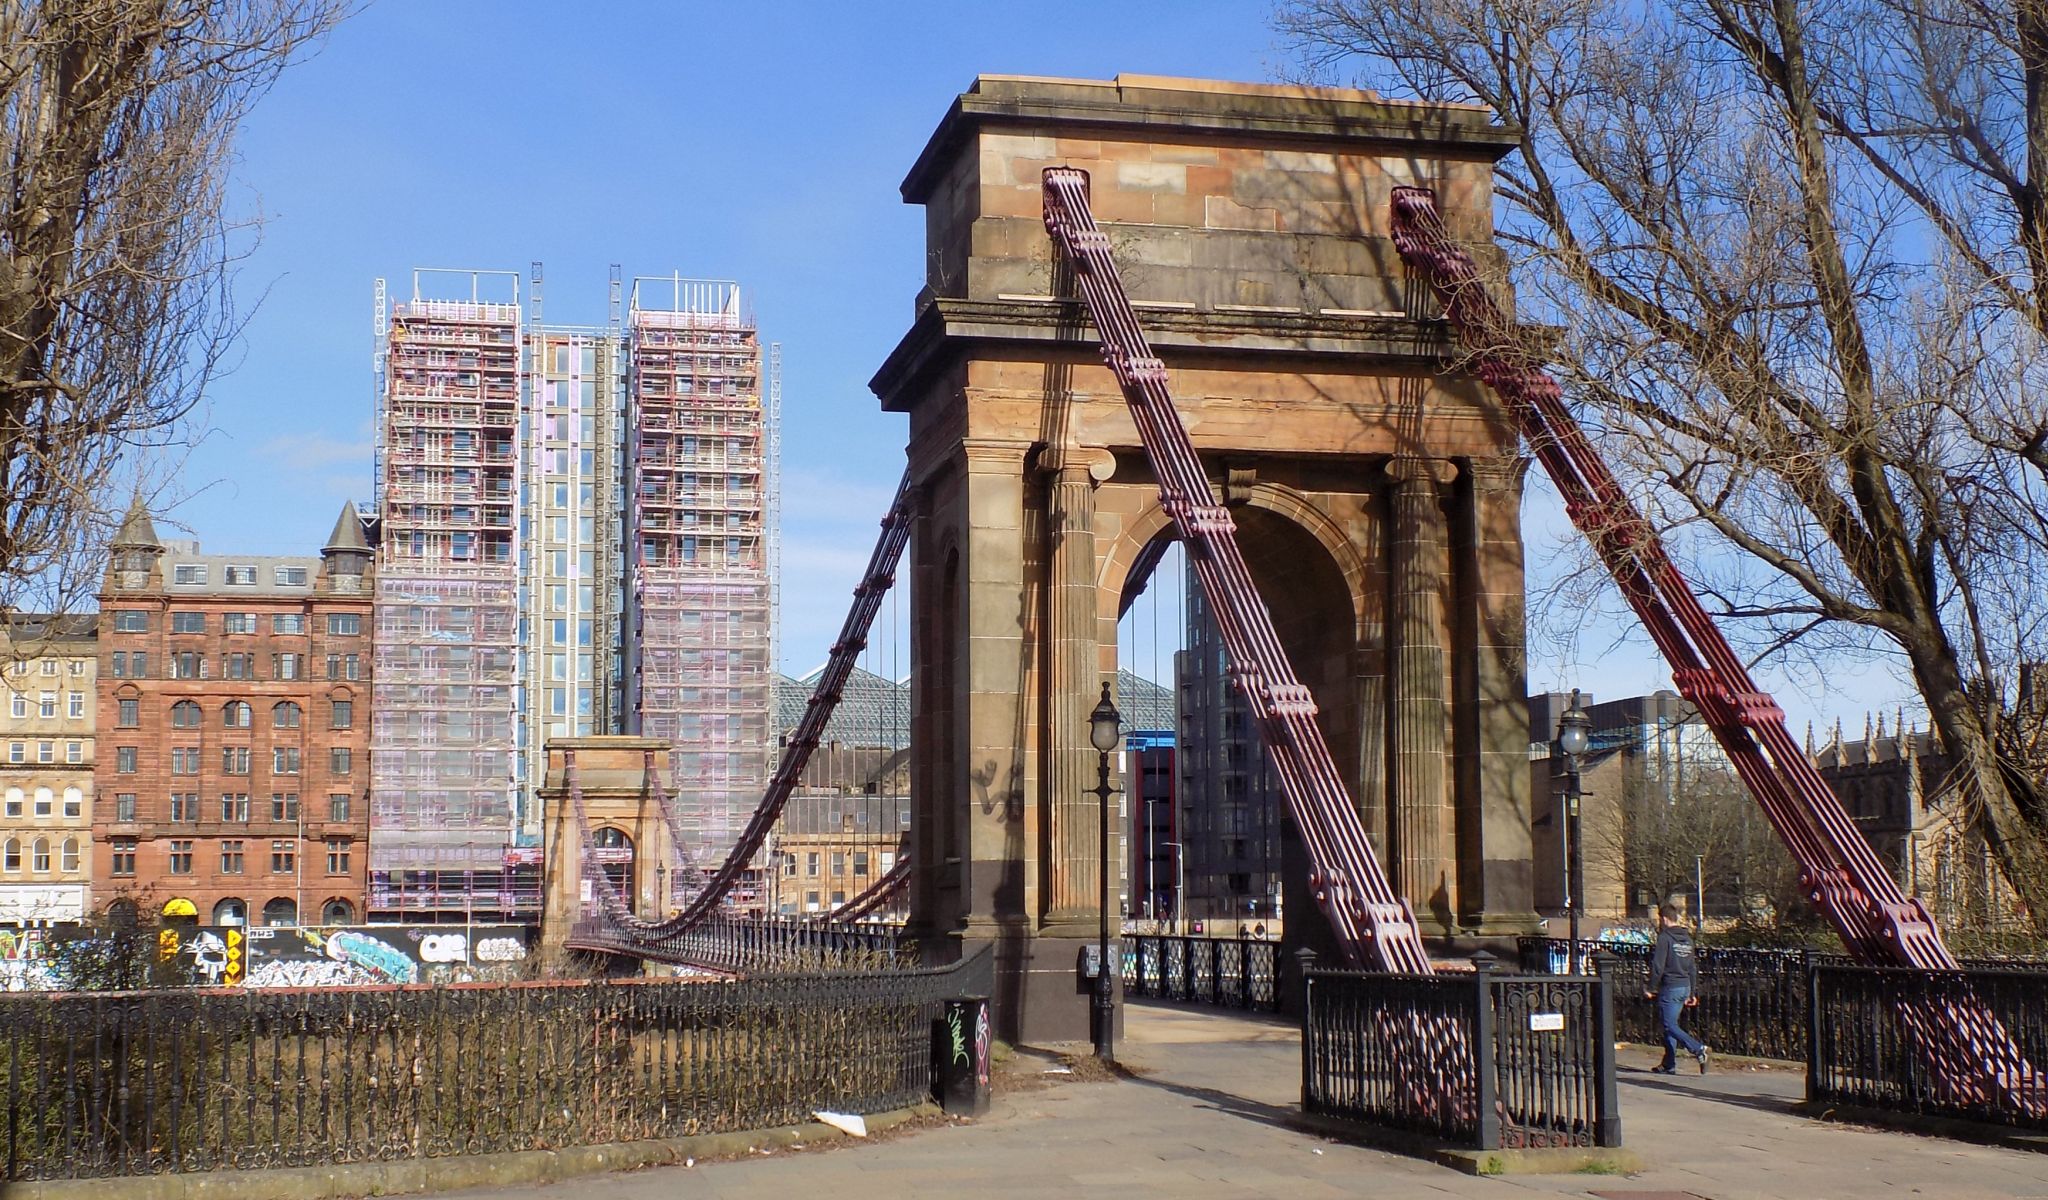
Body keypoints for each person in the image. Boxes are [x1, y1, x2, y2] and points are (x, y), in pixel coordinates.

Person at [1647, 903, 1709, 1074]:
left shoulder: (1665, 938)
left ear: (1664, 919)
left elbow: (1658, 966)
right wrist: (1693, 992)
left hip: (1670, 986)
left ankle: (1698, 1049)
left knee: (1668, 1024)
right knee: (1671, 1025)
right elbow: (1692, 968)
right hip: (1684, 986)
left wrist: (1651, 987)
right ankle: (1669, 1064)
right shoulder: (1688, 940)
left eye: (1660, 920)